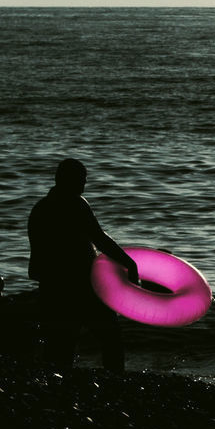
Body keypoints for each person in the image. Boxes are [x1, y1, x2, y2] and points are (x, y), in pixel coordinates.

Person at [28, 158, 138, 374]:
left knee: (60, 343)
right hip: (80, 283)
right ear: (65, 179)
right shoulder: (75, 203)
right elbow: (98, 237)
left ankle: (55, 389)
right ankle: (116, 383)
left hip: (51, 285)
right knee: (110, 335)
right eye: (81, 179)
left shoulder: (40, 208)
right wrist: (129, 263)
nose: (83, 184)